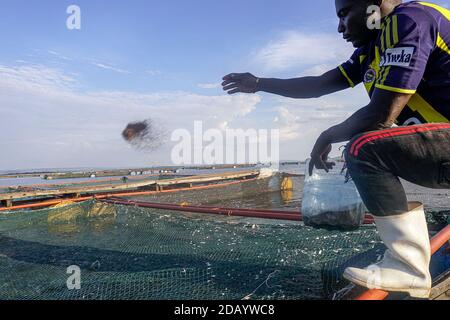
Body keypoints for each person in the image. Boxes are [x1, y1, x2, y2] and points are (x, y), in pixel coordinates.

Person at [222, 0, 450, 298]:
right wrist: (259, 83)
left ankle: (408, 266)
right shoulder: (372, 50)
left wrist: (328, 135)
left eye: (344, 14)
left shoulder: (409, 20)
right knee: (365, 144)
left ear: (373, 6)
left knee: (364, 148)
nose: (340, 27)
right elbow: (320, 84)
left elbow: (383, 112)